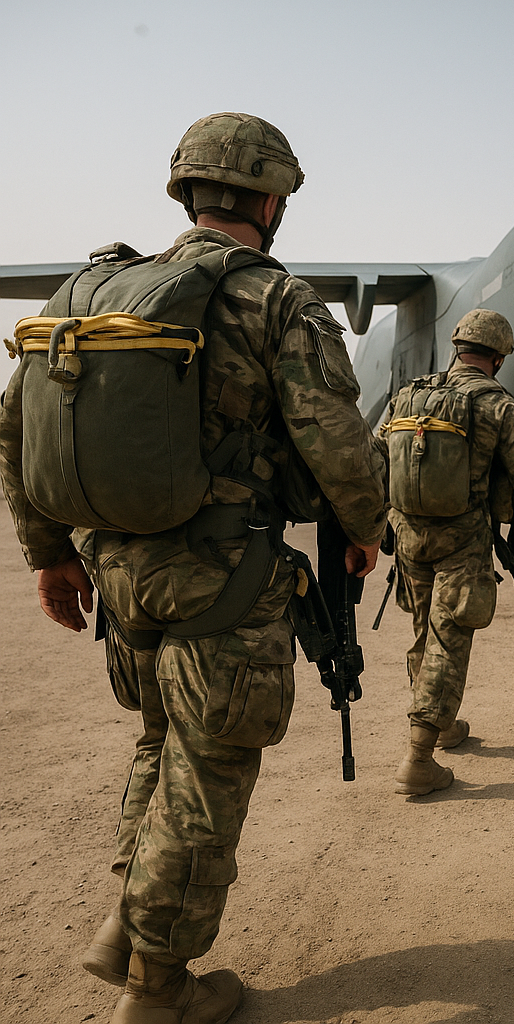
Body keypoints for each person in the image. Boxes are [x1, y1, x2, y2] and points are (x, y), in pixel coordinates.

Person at [0, 112, 387, 1023]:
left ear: (184, 190)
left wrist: (51, 558)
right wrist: (365, 528)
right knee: (209, 770)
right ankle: (159, 987)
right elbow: (334, 439)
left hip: (120, 574)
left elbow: (15, 435)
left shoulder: (91, 290)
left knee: (158, 745)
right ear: (270, 198)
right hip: (224, 573)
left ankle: (125, 927)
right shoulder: (276, 299)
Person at [382, 309, 514, 795]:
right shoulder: (500, 407)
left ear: (458, 347)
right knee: (448, 638)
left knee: (423, 632)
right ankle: (418, 757)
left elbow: (377, 457)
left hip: (409, 535)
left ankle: (443, 726)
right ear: (498, 357)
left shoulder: (411, 394)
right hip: (463, 538)